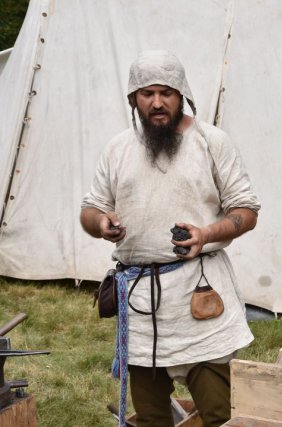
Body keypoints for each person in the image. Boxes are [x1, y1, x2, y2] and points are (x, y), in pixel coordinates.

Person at [80, 50, 260, 427]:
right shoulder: (118, 149)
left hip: (198, 296)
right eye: (147, 93)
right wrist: (101, 223)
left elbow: (246, 211)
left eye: (167, 92)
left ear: (182, 95)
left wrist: (207, 233)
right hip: (140, 304)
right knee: (150, 419)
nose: (158, 103)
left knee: (220, 416)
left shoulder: (212, 142)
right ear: (134, 99)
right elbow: (90, 209)